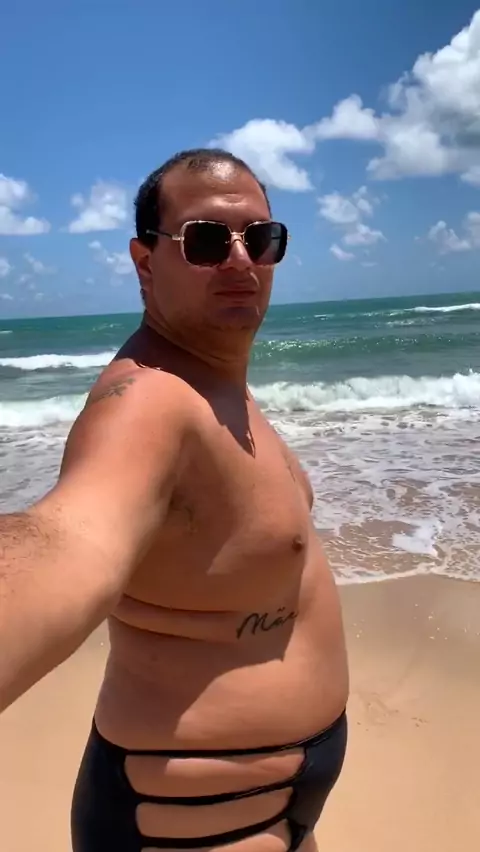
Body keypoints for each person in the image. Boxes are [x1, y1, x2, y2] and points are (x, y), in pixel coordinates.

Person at [0, 148, 349, 852]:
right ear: (145, 263)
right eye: (207, 241)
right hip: (192, 816)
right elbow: (69, 540)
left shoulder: (216, 383)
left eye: (262, 237)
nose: (241, 259)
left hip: (274, 803)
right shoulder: (148, 404)